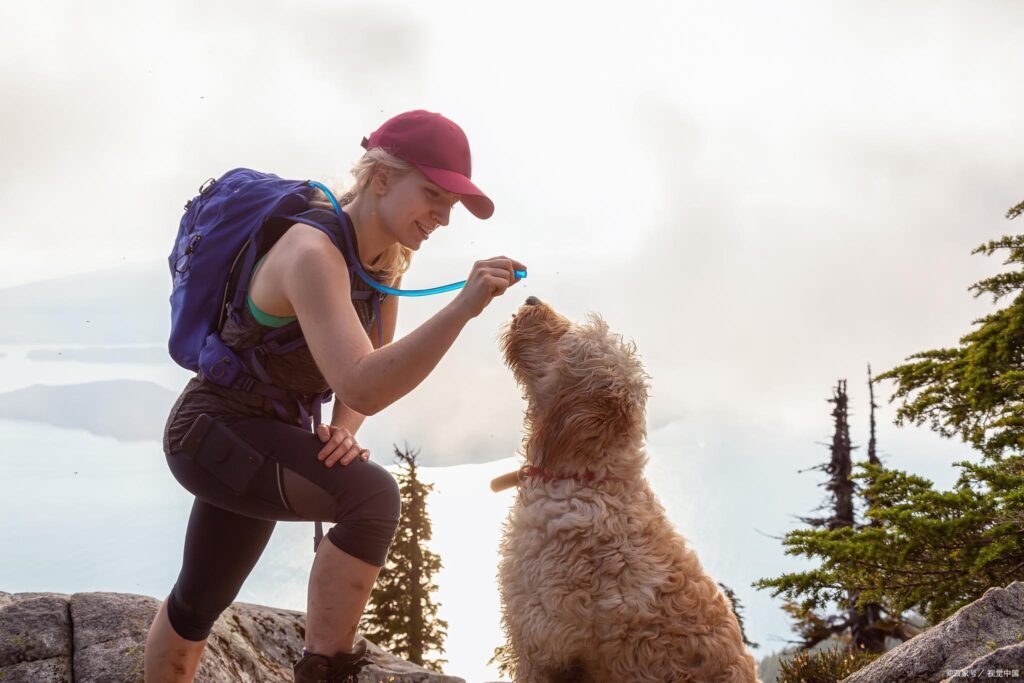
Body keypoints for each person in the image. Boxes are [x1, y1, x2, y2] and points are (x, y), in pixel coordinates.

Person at [145, 110, 526, 683]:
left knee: (198, 601)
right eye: (433, 195)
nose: (444, 218)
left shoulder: (387, 262)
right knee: (372, 499)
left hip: (267, 432)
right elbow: (362, 380)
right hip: (212, 431)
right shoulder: (310, 253)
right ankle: (326, 670)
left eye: (452, 204)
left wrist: (345, 428)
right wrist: (463, 307)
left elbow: (370, 370)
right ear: (380, 179)